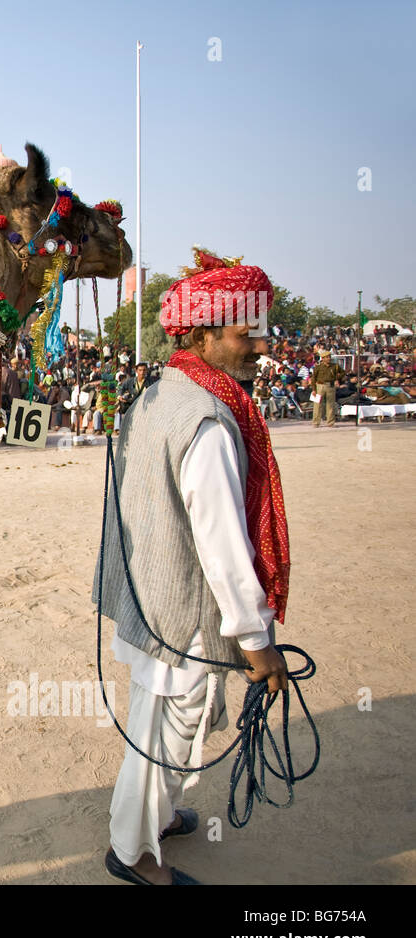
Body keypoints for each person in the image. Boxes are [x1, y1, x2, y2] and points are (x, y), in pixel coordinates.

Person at [94, 250, 290, 885]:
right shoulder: (205, 421)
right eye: (244, 333)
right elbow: (225, 545)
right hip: (181, 613)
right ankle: (135, 855)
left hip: (147, 600)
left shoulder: (158, 393)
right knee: (166, 736)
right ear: (203, 336)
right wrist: (259, 644)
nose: (259, 346)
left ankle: (155, 817)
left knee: (163, 724)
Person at [311, 350, 344, 427]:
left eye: (329, 357)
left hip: (330, 386)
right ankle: (316, 422)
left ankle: (330, 422)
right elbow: (313, 379)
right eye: (326, 357)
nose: (329, 358)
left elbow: (343, 373)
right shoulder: (318, 367)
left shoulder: (335, 366)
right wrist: (313, 389)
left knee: (330, 405)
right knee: (317, 405)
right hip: (320, 386)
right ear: (322, 358)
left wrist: (337, 378)